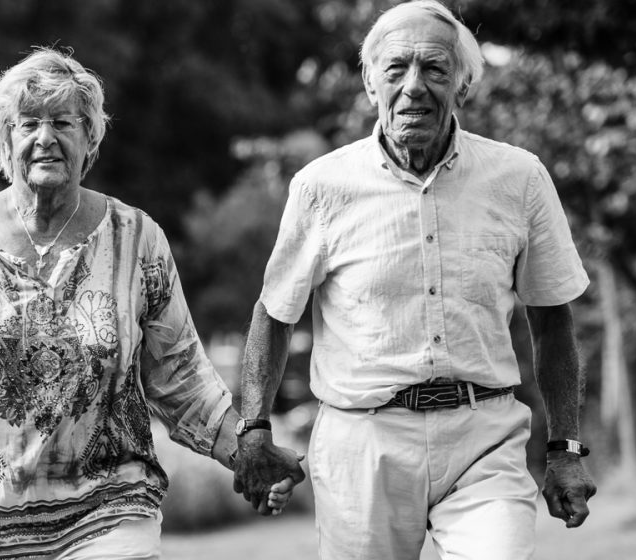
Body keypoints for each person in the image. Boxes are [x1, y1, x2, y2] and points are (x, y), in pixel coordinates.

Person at [0, 47, 300, 560]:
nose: (45, 138)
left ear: (90, 139)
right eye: (28, 123)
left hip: (111, 515)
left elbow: (181, 375)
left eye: (63, 122)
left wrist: (247, 454)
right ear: (3, 139)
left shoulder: (137, 240)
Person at [231, 1, 597, 558]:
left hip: (485, 437)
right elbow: (274, 313)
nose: (414, 87)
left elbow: (552, 319)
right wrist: (254, 432)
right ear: (370, 83)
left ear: (463, 85)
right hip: (363, 444)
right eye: (396, 68)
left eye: (435, 69)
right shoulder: (321, 186)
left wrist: (565, 448)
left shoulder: (519, 178)